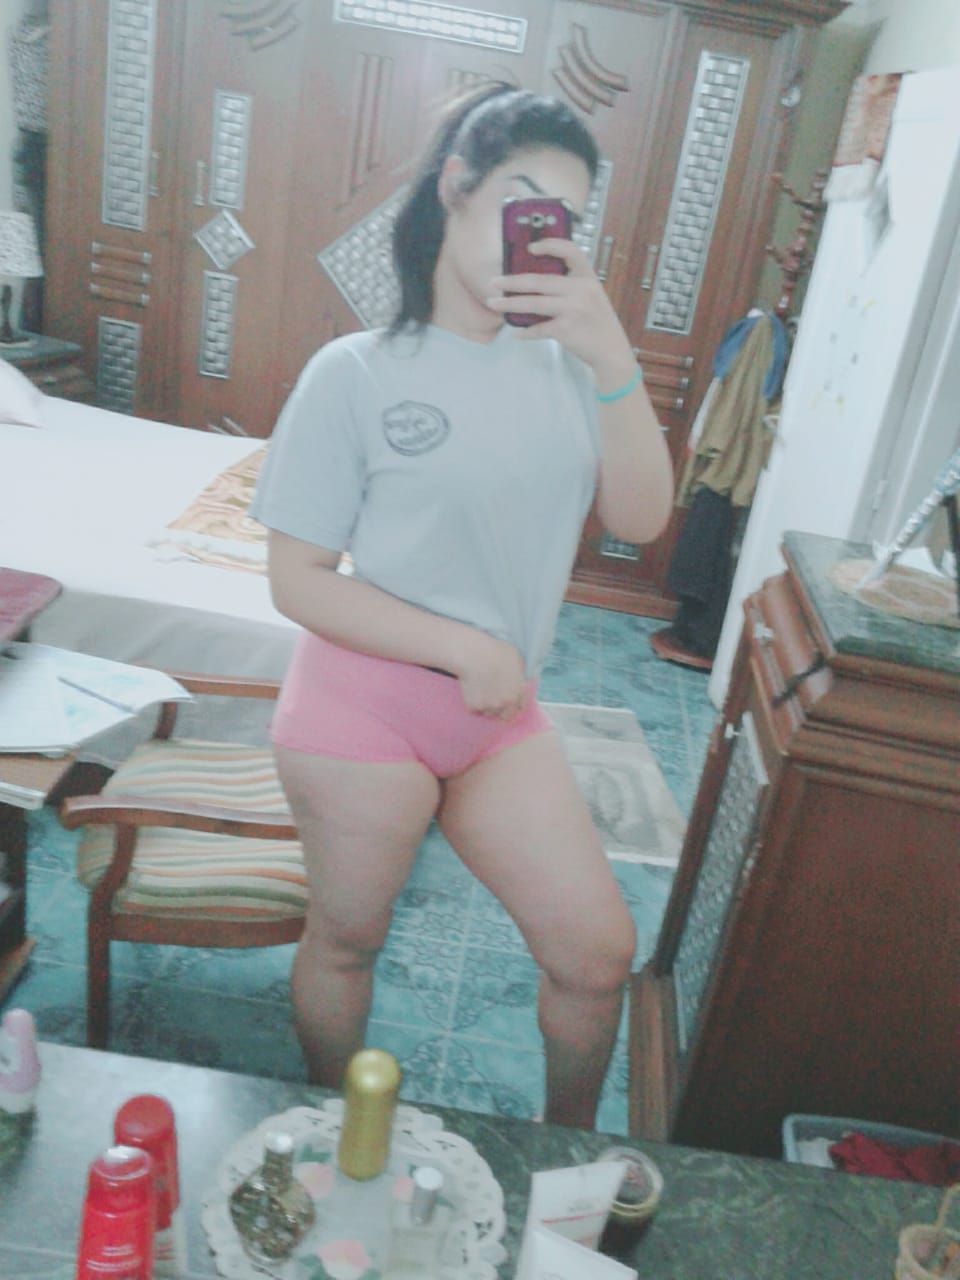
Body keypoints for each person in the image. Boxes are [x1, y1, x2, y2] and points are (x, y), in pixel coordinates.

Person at [250, 84, 673, 1129]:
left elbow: (642, 517)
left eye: (564, 219)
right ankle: (338, 1132)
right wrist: (459, 645)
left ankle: (562, 1154)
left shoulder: (573, 371)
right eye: (524, 200)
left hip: (496, 717)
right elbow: (297, 579)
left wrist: (614, 357)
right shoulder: (353, 372)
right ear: (456, 187)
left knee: (596, 955)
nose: (543, 233)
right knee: (347, 941)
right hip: (362, 710)